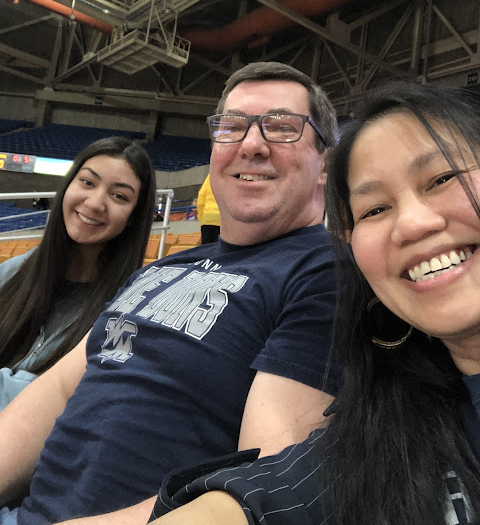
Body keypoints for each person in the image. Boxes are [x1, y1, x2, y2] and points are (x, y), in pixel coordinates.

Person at [0, 61, 339, 525]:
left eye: (281, 127)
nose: (251, 144)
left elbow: (258, 486)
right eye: (232, 127)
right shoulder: (160, 269)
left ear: (325, 165)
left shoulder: (325, 273)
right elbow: (59, 389)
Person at [149, 81, 480, 525]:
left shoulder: (315, 274)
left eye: (442, 179)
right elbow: (268, 495)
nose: (413, 224)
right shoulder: (386, 430)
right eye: (374, 209)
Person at [0, 136, 156, 408]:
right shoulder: (11, 272)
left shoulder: (132, 313)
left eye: (119, 196)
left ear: (133, 217)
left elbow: (87, 405)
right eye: (87, 182)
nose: (95, 203)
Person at [196, 174, 220, 244]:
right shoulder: (232, 176)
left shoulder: (210, 176)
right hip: (224, 220)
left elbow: (201, 198)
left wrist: (201, 216)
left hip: (207, 219)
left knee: (206, 248)